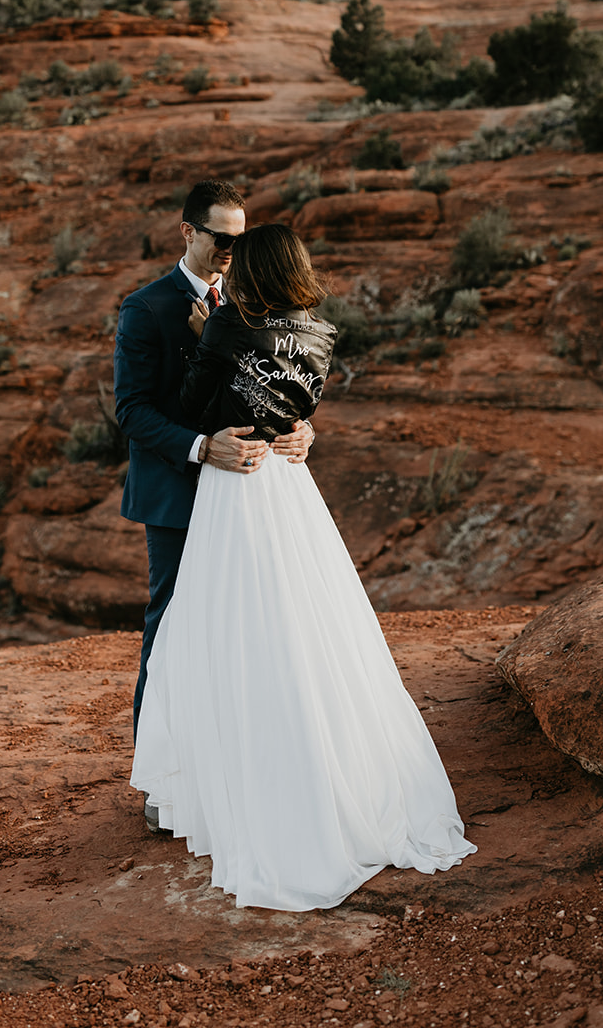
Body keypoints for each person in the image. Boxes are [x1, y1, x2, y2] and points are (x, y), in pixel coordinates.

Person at [130, 223, 476, 911]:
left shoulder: (227, 329)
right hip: (288, 485)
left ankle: (235, 779)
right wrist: (293, 421)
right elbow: (300, 408)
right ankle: (332, 771)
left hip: (236, 486)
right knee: (309, 622)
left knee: (222, 627)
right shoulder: (320, 332)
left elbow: (194, 406)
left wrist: (208, 338)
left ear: (254, 269)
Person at [113, 180, 314, 810]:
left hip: (255, 492)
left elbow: (281, 381)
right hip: (180, 493)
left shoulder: (255, 305)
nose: (232, 249)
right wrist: (203, 446)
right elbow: (133, 411)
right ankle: (164, 785)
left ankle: (240, 772)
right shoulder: (146, 309)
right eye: (221, 238)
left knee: (253, 628)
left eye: (241, 239)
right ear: (188, 233)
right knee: (173, 630)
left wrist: (303, 428)